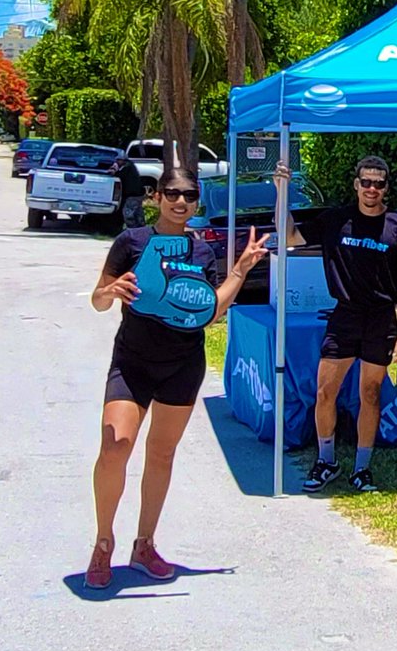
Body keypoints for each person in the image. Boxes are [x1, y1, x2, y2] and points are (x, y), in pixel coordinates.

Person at [85, 165, 269, 589]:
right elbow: (97, 300)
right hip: (132, 363)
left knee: (161, 455)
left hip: (182, 365)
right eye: (172, 193)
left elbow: (210, 311)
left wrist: (240, 269)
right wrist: (110, 293)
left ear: (196, 202)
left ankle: (144, 544)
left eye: (188, 195)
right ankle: (103, 542)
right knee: (116, 447)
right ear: (156, 197)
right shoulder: (131, 242)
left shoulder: (202, 251)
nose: (180, 201)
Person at [274, 155, 397, 494]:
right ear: (356, 184)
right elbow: (289, 235)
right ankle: (326, 460)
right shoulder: (335, 220)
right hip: (344, 316)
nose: (372, 189)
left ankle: (362, 468)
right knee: (325, 391)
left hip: (381, 319)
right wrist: (282, 191)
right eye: (365, 182)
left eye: (378, 183)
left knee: (370, 393)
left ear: (386, 188)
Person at [116, 155, 146, 229]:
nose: (117, 162)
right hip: (139, 193)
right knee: (138, 213)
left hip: (133, 194)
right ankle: (141, 228)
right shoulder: (131, 166)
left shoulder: (127, 167)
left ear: (123, 160)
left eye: (118, 160)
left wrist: (114, 171)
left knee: (128, 212)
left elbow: (120, 176)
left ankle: (132, 228)